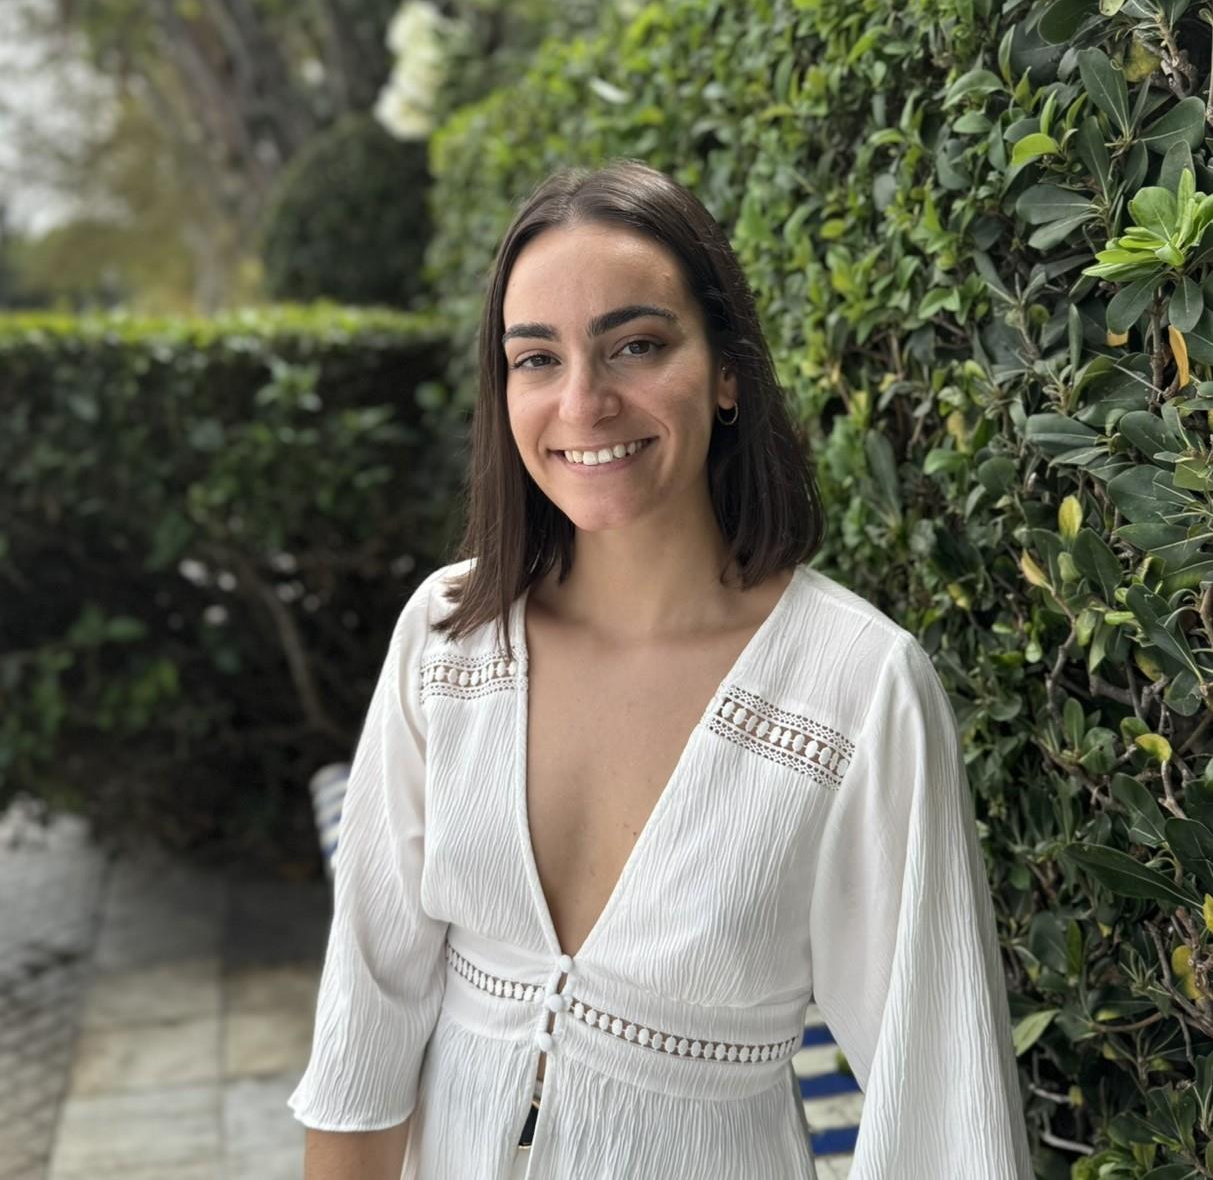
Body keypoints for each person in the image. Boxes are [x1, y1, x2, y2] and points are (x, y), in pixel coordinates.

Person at [287, 158, 1033, 1179]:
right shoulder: (448, 639)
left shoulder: (856, 689)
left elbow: (944, 1107)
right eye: (535, 358)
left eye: (635, 345)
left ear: (726, 370)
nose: (583, 402)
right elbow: (364, 1028)